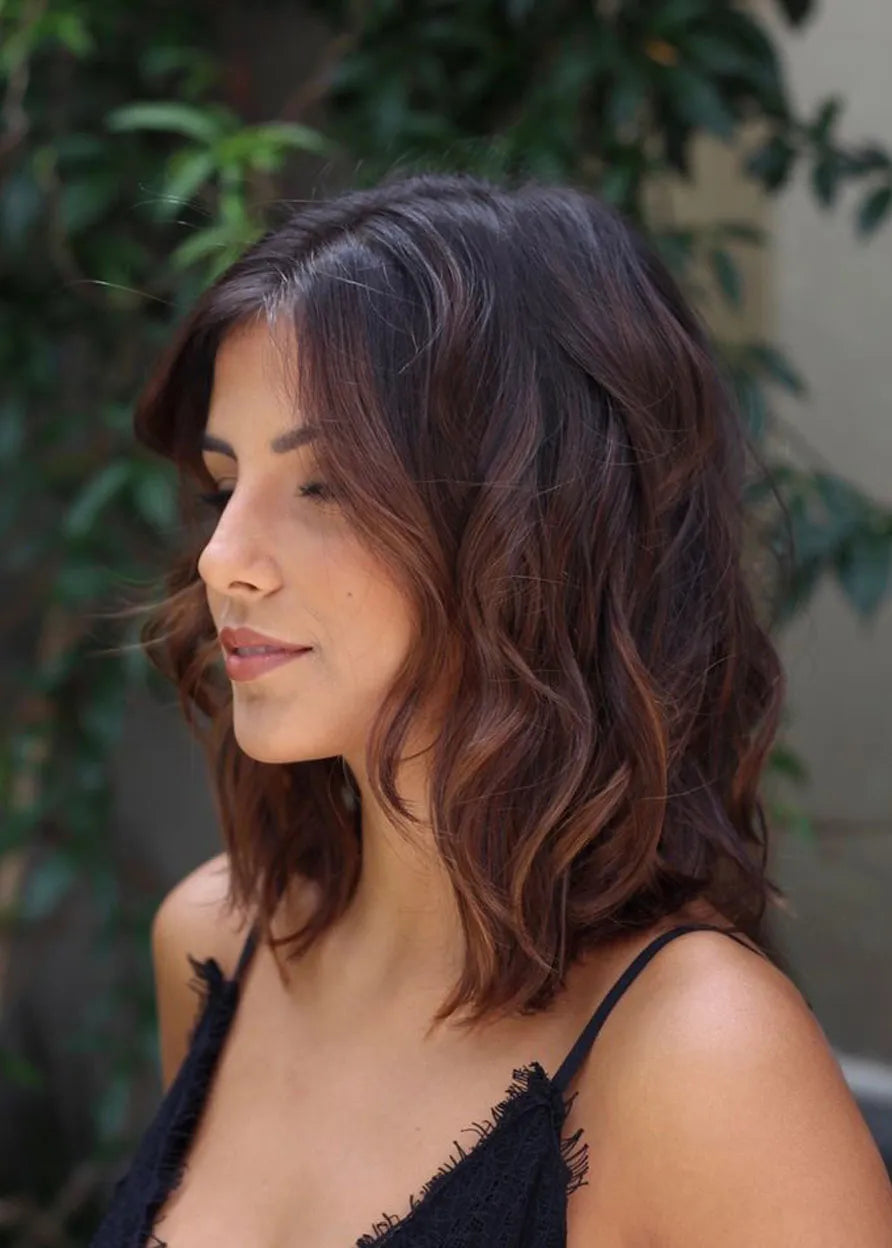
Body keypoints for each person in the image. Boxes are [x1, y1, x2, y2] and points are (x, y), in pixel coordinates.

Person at [90, 171, 892, 1247]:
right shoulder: (214, 939)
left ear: (536, 533)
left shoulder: (702, 1058)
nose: (222, 557)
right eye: (223, 486)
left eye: (325, 486)